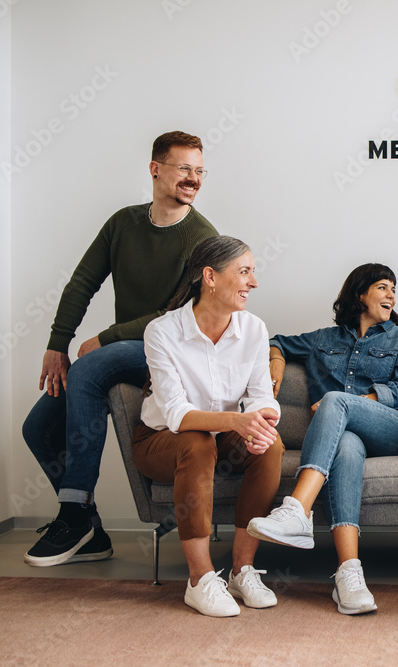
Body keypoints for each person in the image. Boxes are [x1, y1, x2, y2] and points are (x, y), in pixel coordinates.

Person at [22, 131, 217, 567]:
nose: (193, 178)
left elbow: (181, 314)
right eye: (184, 168)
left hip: (172, 353)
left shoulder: (202, 238)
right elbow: (81, 284)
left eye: (200, 171)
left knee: (90, 368)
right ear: (155, 169)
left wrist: (106, 338)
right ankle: (90, 529)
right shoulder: (122, 223)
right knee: (37, 427)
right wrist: (59, 343)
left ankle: (72, 514)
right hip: (130, 347)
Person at [246, 263, 398, 615]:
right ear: (361, 294)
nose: (391, 295)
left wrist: (345, 403)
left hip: (391, 430)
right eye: (383, 287)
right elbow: (275, 341)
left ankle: (297, 508)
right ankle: (349, 574)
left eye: (393, 289)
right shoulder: (324, 339)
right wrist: (277, 361)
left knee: (334, 400)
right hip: (345, 435)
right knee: (345, 446)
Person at [132, 235, 284, 617]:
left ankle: (241, 570)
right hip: (161, 440)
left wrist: (263, 421)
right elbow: (177, 415)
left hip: (219, 435)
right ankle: (199, 580)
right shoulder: (162, 332)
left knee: (272, 446)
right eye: (244, 272)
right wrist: (236, 420)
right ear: (210, 277)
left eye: (253, 272)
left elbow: (262, 394)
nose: (254, 282)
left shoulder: (253, 329)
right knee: (197, 442)